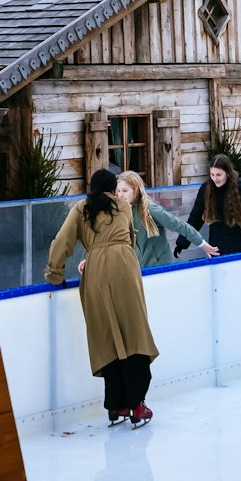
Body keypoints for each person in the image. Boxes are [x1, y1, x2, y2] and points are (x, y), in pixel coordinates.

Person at [46, 169, 161, 428]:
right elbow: (129, 239)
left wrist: (55, 273)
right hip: (125, 268)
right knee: (134, 333)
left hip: (96, 270)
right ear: (112, 188)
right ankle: (137, 405)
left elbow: (62, 241)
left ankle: (116, 405)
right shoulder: (122, 206)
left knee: (105, 336)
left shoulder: (81, 208)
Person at [71, 173, 216, 275]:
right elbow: (105, 241)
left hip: (162, 269)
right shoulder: (117, 212)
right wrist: (90, 260)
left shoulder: (150, 210)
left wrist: (202, 244)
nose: (120, 195)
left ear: (136, 191)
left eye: (125, 191)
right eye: (118, 191)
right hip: (138, 272)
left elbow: (179, 225)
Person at [176, 154, 241, 257]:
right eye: (212, 174)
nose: (215, 179)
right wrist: (181, 243)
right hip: (218, 251)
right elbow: (195, 219)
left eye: (219, 175)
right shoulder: (206, 189)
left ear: (227, 173)